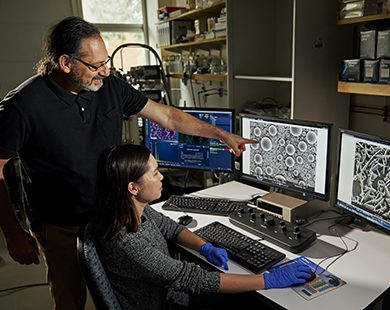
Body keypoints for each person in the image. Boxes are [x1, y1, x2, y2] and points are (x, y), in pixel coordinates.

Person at [0, 16, 258, 310]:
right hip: (62, 223)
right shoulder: (23, 106)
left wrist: (221, 135)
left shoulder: (110, 87)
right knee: (70, 301)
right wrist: (12, 231)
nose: (105, 71)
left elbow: (169, 117)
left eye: (106, 60)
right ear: (65, 63)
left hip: (113, 214)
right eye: (96, 66)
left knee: (120, 295)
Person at [94, 144, 313, 310]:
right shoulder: (126, 241)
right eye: (154, 173)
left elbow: (171, 228)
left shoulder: (134, 209)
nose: (161, 177)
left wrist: (204, 247)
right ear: (133, 187)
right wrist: (269, 280)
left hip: (169, 295)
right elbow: (191, 279)